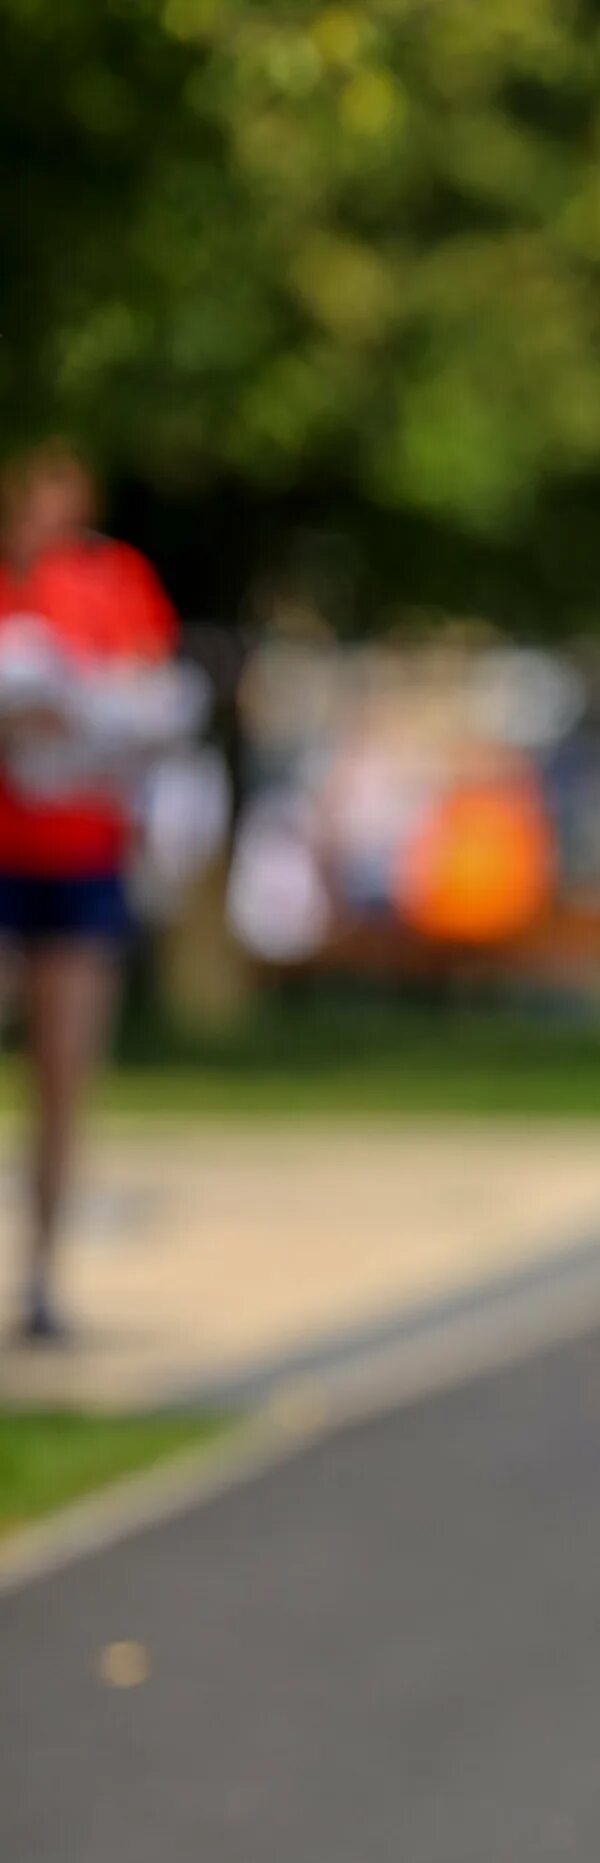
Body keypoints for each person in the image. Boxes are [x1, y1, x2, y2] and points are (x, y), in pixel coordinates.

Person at [0, 444, 182, 1342]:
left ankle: (41, 1279)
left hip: (80, 855)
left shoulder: (114, 581)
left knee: (63, 1075)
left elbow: (150, 699)